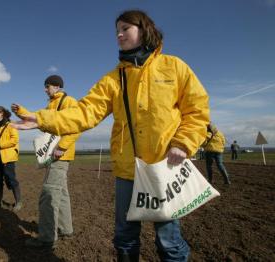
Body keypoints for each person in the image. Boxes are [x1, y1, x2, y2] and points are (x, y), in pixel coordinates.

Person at [12, 10, 209, 262]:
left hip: (164, 166)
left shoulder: (175, 66)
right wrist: (41, 119)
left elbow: (197, 109)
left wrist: (183, 143)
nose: (119, 34)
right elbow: (85, 112)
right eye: (117, 30)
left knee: (168, 240)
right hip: (127, 171)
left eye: (125, 28)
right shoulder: (113, 79)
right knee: (125, 238)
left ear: (144, 29)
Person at [12, 75, 81, 250]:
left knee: (48, 194)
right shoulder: (51, 105)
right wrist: (21, 113)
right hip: (53, 154)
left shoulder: (69, 102)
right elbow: (41, 122)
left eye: (47, 86)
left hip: (59, 155)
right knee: (62, 194)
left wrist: (62, 147)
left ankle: (47, 238)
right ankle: (66, 229)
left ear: (57, 87)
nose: (45, 89)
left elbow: (76, 126)